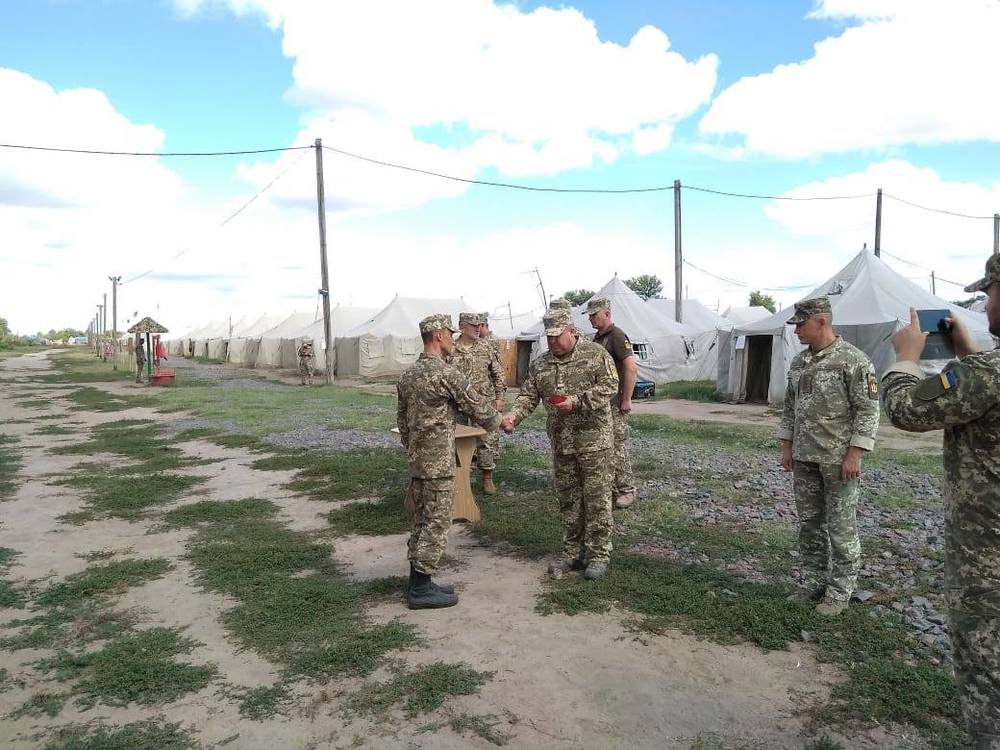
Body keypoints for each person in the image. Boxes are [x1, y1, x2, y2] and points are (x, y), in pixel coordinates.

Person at [881, 254, 1000, 748]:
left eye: (990, 293)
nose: (985, 306)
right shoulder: (986, 372)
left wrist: (906, 358)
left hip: (988, 559)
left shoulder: (989, 374)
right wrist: (970, 356)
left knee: (988, 668)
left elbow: (906, 410)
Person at [778, 296, 880, 616]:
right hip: (805, 456)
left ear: (821, 322)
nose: (796, 331)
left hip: (837, 459)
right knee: (810, 523)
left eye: (801, 325)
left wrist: (855, 453)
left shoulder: (854, 360)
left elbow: (868, 410)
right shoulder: (800, 362)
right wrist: (787, 446)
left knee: (841, 525)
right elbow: (790, 407)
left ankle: (839, 590)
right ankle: (813, 581)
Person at [501, 307, 619, 580]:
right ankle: (571, 552)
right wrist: (513, 417)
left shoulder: (596, 355)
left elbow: (609, 386)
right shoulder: (541, 364)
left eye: (557, 336)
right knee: (569, 500)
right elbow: (528, 396)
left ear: (572, 331)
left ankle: (598, 555)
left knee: (597, 500)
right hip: (562, 444)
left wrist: (577, 402)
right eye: (549, 337)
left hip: (594, 443)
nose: (552, 341)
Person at [397, 313, 502, 609]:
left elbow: (402, 422)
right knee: (437, 522)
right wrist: (501, 421)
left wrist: (414, 449)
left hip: (418, 461)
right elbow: (479, 408)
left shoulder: (408, 375)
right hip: (439, 463)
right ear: (439, 336)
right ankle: (420, 590)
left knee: (422, 520)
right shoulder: (445, 374)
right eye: (450, 333)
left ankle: (419, 581)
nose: (453, 339)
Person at [587, 297, 638, 509]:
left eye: (594, 315)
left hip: (614, 403)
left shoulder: (616, 335)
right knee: (602, 445)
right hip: (601, 403)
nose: (591, 319)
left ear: (607, 314)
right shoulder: (598, 338)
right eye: (590, 315)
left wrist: (626, 399)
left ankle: (626, 489)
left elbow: (631, 367)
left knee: (617, 446)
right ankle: (610, 487)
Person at [448, 313, 506, 495]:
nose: (478, 329)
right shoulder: (451, 349)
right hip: (458, 406)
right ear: (461, 327)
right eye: (473, 325)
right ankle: (460, 478)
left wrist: (499, 398)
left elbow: (498, 374)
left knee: (487, 441)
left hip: (484, 404)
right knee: (457, 442)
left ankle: (487, 477)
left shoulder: (486, 347)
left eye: (479, 325)